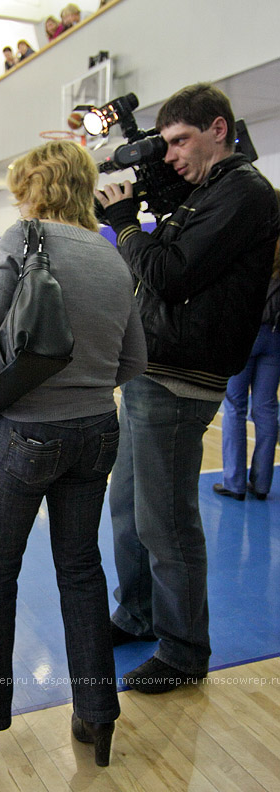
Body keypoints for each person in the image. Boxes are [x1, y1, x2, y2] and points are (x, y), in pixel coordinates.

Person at [0, 140, 147, 765]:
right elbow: (132, 361)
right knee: (82, 572)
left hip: (25, 433)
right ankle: (97, 716)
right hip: (97, 433)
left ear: (35, 187)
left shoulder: (23, 238)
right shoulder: (112, 258)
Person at [95, 83, 280, 693]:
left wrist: (123, 224)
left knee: (165, 522)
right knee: (128, 509)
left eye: (180, 141)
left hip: (182, 380)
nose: (170, 154)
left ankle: (182, 650)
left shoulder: (247, 194)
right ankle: (139, 613)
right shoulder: (208, 192)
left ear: (220, 129)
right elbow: (173, 234)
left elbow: (169, 275)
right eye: (166, 143)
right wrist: (145, 170)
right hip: (153, 370)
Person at [214, 197, 280, 501]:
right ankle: (263, 483)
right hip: (276, 337)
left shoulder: (252, 242)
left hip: (247, 335)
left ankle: (235, 482)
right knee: (266, 408)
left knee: (235, 406)